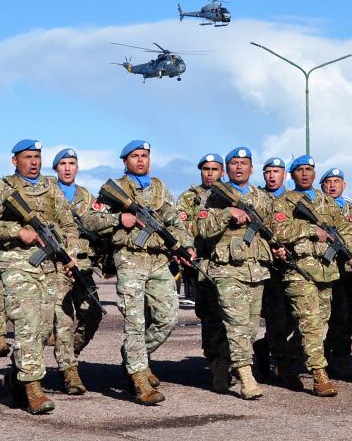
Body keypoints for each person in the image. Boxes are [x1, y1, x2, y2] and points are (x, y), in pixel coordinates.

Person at [84, 140, 195, 405]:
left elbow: (174, 222)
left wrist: (186, 245)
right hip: (129, 260)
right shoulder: (116, 189)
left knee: (167, 318)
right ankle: (139, 380)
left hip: (158, 260)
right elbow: (90, 220)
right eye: (135, 156)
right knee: (135, 323)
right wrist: (118, 219)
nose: (141, 160)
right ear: (125, 161)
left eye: (145, 155)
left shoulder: (159, 188)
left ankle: (135, 356)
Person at [0, 139, 80, 414]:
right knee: (27, 323)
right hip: (15, 264)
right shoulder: (1, 188)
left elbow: (69, 225)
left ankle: (15, 377)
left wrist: (71, 252)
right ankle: (34, 387)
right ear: (15, 161)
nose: (33, 162)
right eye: (27, 157)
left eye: (37, 157)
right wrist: (17, 232)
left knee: (43, 329)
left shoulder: (51, 188)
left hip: (47, 266)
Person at [271, 155, 352, 397]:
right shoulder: (284, 202)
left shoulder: (326, 201)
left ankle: (287, 362)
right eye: (299, 170)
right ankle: (319, 375)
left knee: (316, 323)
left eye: (308, 170)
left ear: (314, 173)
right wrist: (311, 229)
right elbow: (279, 230)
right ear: (292, 175)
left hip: (326, 271)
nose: (304, 174)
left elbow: (344, 228)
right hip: (299, 271)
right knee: (311, 323)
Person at [199, 146, 276, 399]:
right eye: (234, 163)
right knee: (236, 325)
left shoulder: (261, 197)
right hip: (226, 269)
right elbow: (201, 228)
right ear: (227, 168)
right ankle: (246, 377)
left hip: (256, 269)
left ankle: (222, 364)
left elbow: (272, 226)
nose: (239, 167)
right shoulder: (215, 196)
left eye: (244, 163)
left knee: (251, 328)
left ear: (252, 168)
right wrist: (226, 214)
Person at [175, 153, 230, 391]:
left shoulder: (232, 196)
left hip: (229, 265)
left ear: (222, 172)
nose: (210, 173)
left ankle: (228, 363)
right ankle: (216, 361)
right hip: (202, 267)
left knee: (234, 318)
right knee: (210, 317)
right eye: (206, 169)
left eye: (215, 169)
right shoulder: (189, 198)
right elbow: (181, 226)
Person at [49, 147, 102, 394]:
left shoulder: (87, 197)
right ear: (56, 169)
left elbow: (101, 225)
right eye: (63, 164)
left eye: (72, 163)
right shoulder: (47, 193)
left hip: (82, 267)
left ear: (78, 168)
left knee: (93, 314)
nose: (68, 168)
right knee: (63, 319)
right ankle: (69, 371)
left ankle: (70, 349)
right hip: (56, 265)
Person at [253, 157, 302, 388]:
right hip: (268, 268)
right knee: (276, 318)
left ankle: (266, 348)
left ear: (285, 175)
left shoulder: (294, 199)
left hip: (293, 266)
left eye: (276, 171)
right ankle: (282, 365)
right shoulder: (257, 198)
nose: (272, 176)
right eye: (268, 172)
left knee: (296, 317)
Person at [319, 168, 352, 379]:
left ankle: (331, 347)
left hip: (350, 270)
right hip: (328, 270)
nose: (333, 185)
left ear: (344, 185)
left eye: (337, 181)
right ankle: (340, 355)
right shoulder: (317, 208)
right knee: (338, 314)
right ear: (322, 186)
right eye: (328, 182)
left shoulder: (351, 208)